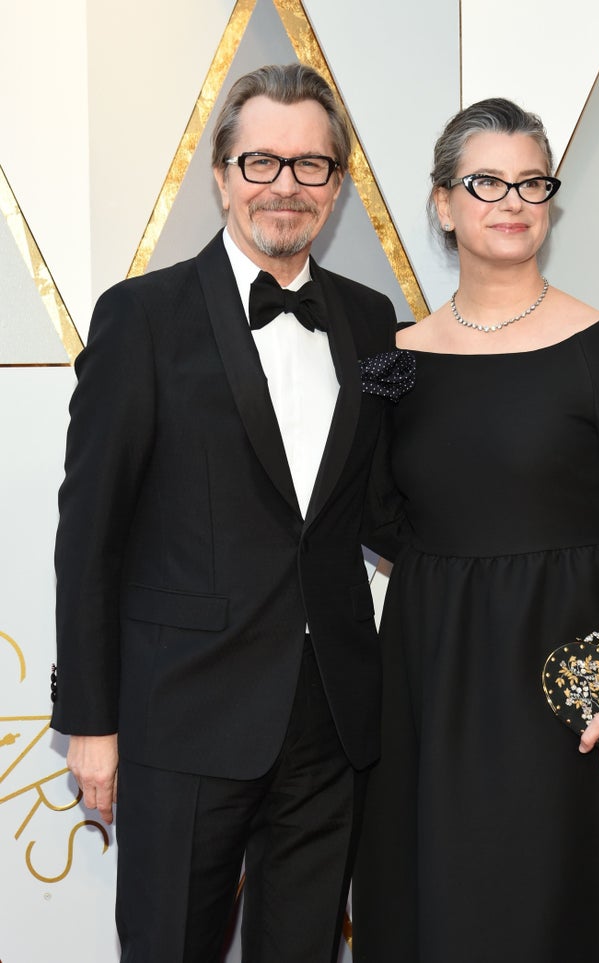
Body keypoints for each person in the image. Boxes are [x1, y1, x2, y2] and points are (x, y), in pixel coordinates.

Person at [353, 97, 599, 962]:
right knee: (464, 901)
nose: (512, 200)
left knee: (588, 906)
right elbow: (372, 509)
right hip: (444, 683)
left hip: (585, 683)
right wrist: (460, 586)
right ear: (443, 203)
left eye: (531, 182)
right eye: (486, 182)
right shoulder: (392, 358)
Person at [51, 62, 402, 963]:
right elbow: (88, 536)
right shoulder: (140, 317)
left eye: (310, 166)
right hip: (183, 716)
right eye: (261, 162)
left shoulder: (374, 322)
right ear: (221, 174)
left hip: (329, 725)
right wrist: (90, 722)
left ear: (337, 185)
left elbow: (393, 498)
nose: (285, 186)